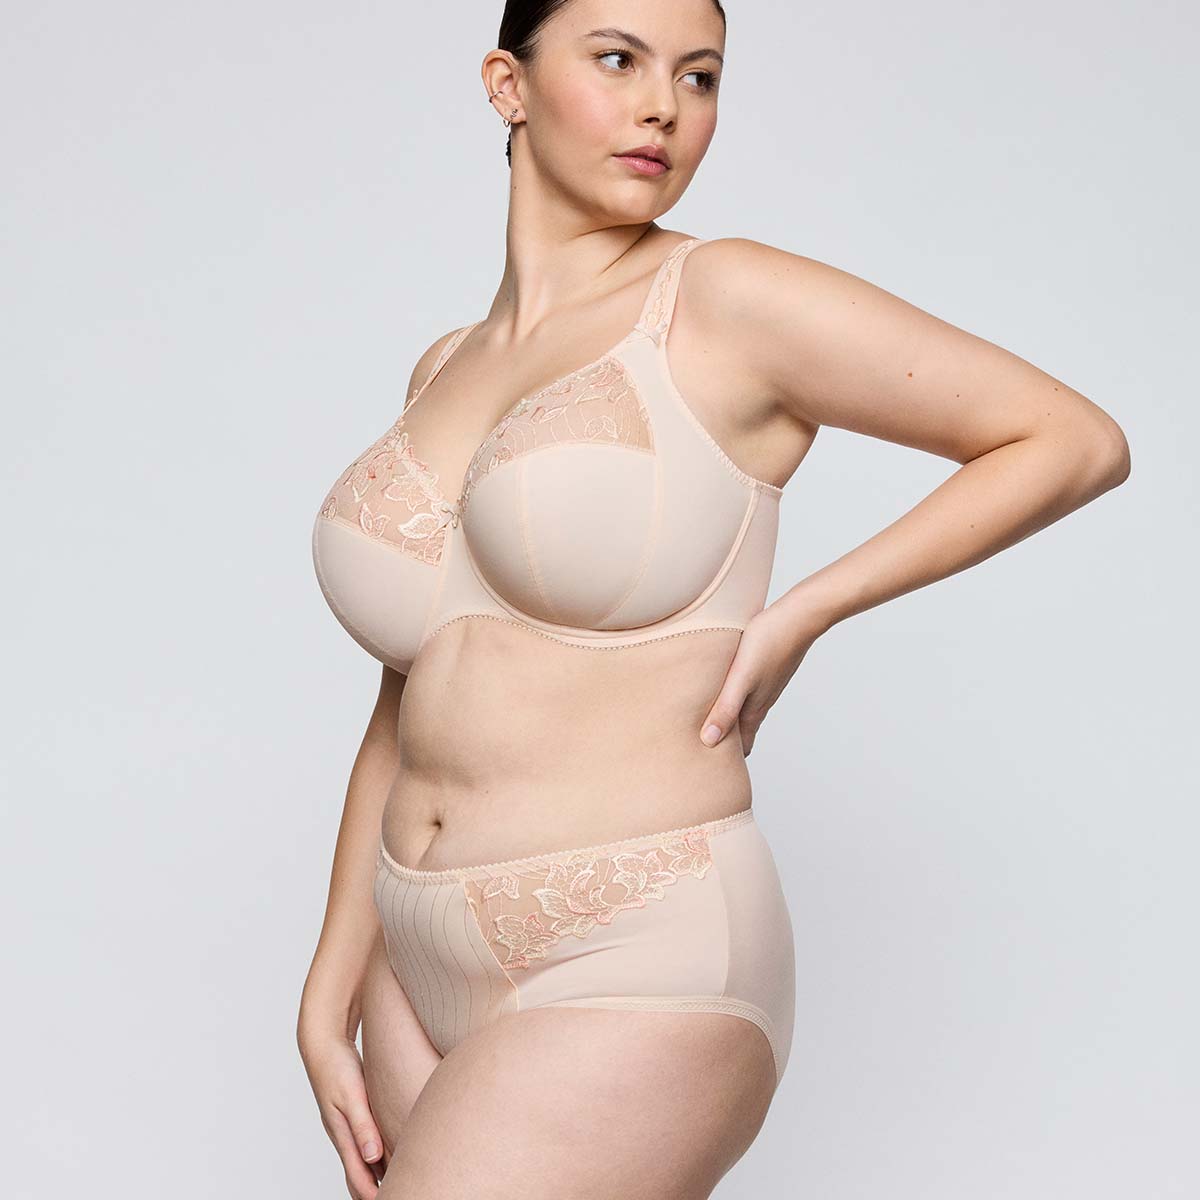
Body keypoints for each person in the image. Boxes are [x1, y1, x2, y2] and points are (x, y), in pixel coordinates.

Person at [296, 3, 1131, 1197]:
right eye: (618, 61)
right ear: (507, 84)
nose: (663, 108)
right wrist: (330, 979)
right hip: (410, 959)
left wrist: (806, 610)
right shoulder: (445, 367)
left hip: (634, 948)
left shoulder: (722, 299)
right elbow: (409, 698)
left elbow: (1069, 439)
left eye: (700, 77)